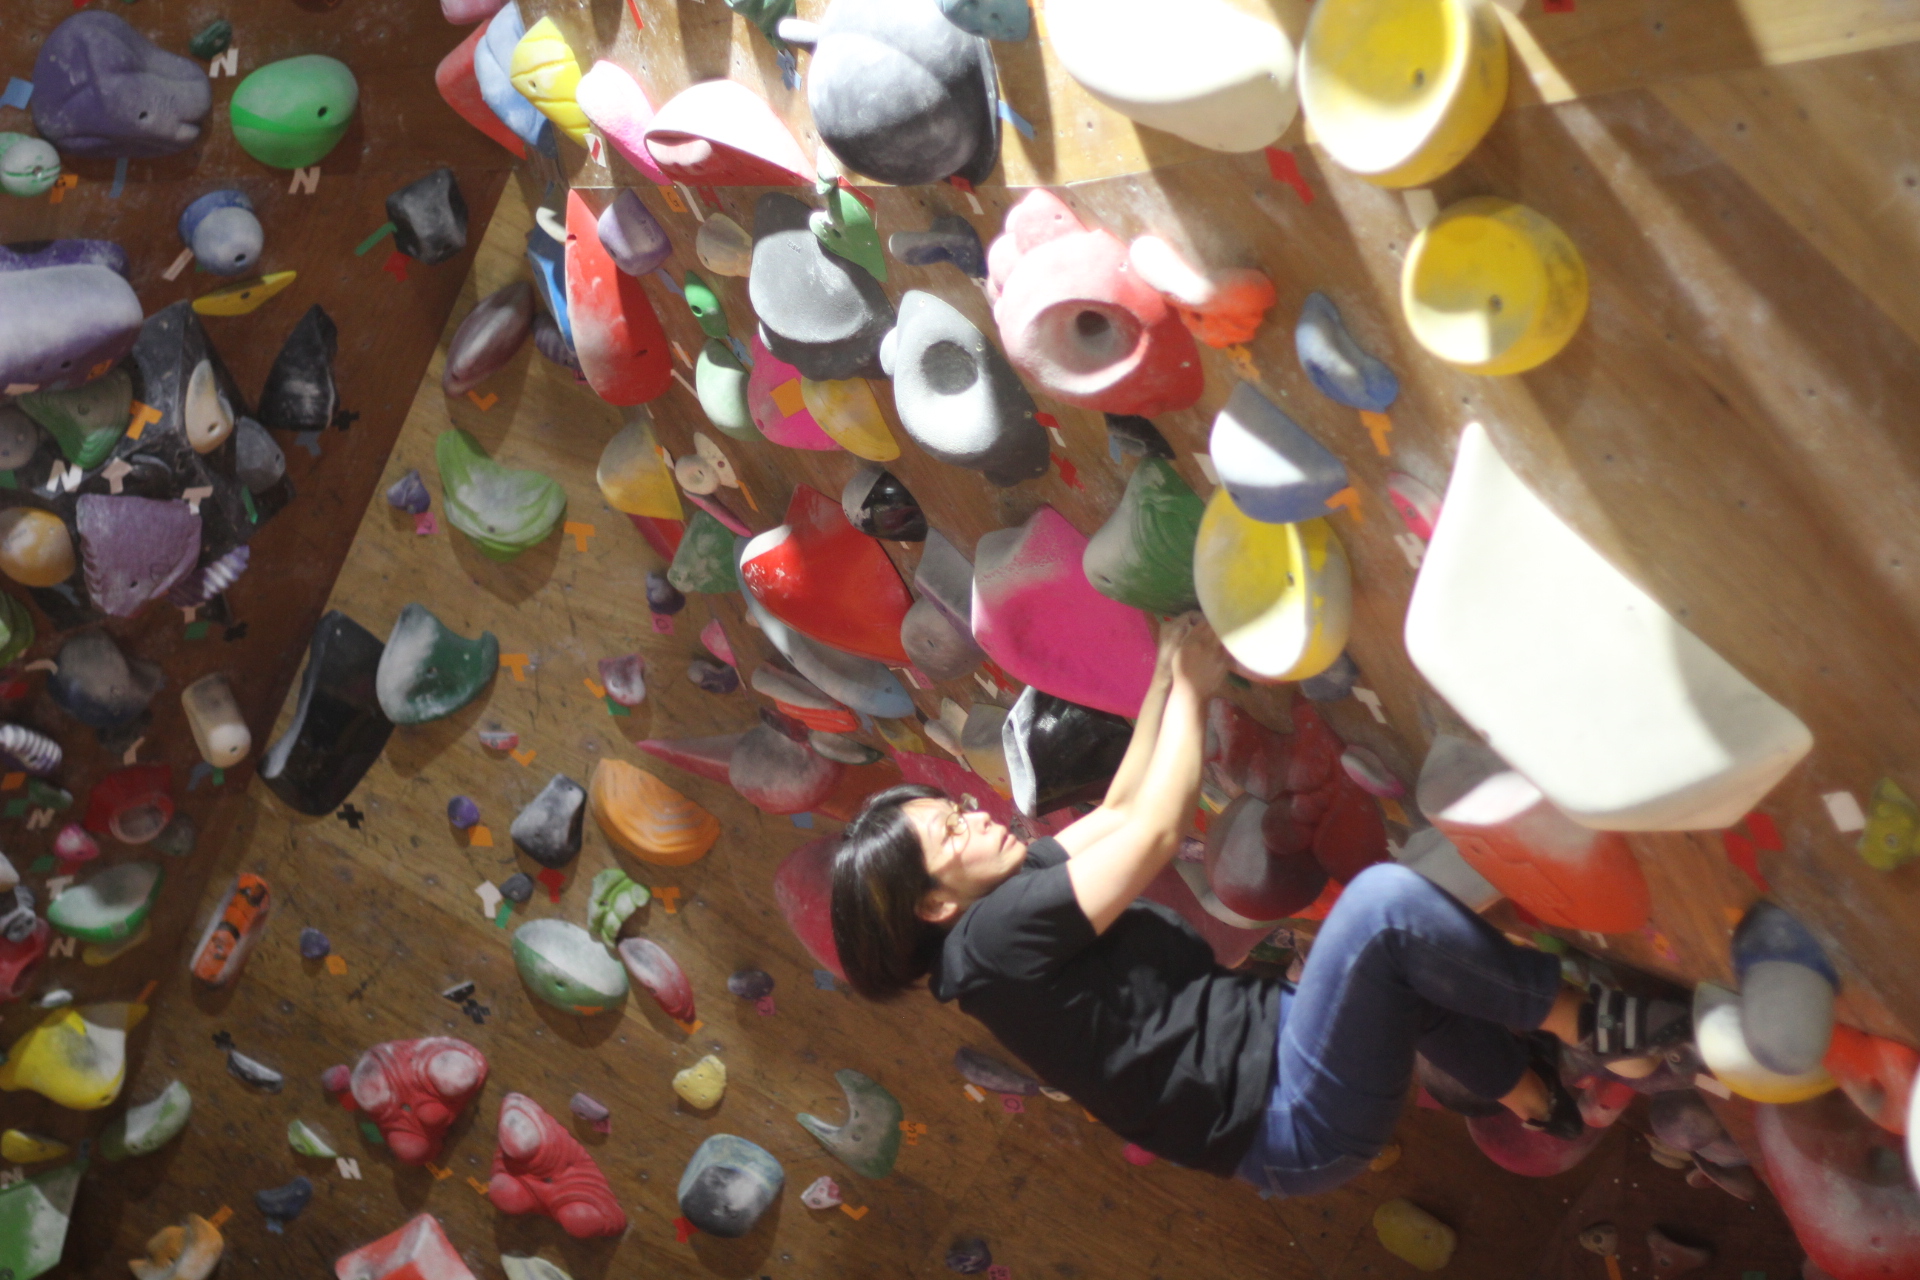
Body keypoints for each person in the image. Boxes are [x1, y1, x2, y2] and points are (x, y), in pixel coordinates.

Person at [830, 614, 1683, 1195]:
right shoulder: (992, 942)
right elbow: (1156, 834)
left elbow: (1118, 813)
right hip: (1291, 1117)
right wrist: (1197, 693)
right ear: (933, 906)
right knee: (1382, 911)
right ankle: (1592, 1022)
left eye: (955, 808)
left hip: (1283, 1068)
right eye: (952, 832)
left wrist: (1165, 682)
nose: (975, 816)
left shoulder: (997, 919)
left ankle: (1536, 1099)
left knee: (1404, 980)